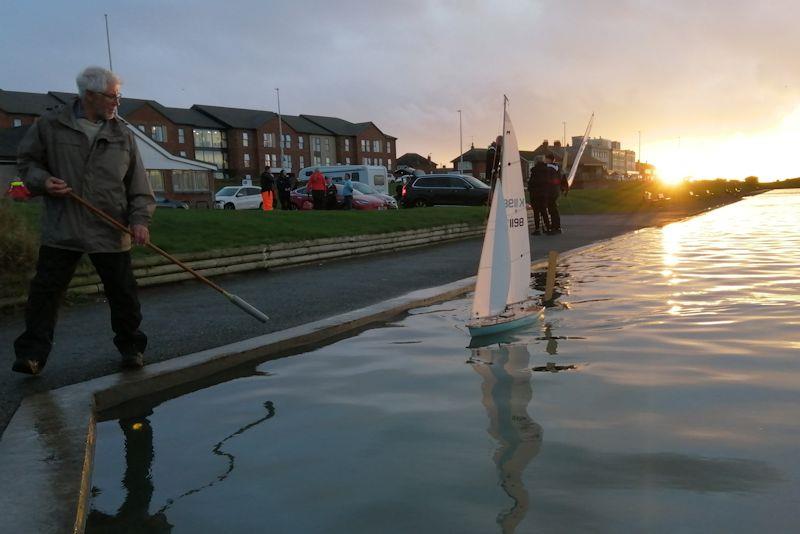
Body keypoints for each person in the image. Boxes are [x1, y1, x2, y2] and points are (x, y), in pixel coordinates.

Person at [12, 66, 155, 375]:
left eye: (118, 96)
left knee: (123, 294)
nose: (117, 102)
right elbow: (27, 163)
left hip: (110, 228)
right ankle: (32, 354)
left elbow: (139, 186)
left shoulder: (122, 135)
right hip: (64, 225)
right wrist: (43, 181)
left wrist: (140, 220)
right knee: (45, 293)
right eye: (113, 96)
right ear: (89, 95)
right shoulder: (50, 126)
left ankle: (131, 348)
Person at [527, 157, 551, 235]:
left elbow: (531, 183)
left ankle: (537, 229)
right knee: (544, 211)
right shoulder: (547, 170)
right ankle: (548, 227)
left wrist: (529, 188)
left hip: (535, 194)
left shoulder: (534, 171)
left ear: (536, 162)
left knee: (536, 212)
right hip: (544, 194)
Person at [544, 153, 564, 234]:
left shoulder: (549, 168)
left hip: (551, 191)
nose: (545, 160)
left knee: (552, 210)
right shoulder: (557, 167)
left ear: (549, 159)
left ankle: (554, 228)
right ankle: (556, 226)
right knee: (554, 209)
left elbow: (548, 180)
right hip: (556, 191)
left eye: (546, 159)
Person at [485, 135, 503, 203]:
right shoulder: (492, 149)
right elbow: (493, 160)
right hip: (493, 174)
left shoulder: (498, 149)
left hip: (496, 173)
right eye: (501, 142)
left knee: (496, 189)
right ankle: (493, 204)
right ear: (499, 141)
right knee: (494, 190)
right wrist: (495, 172)